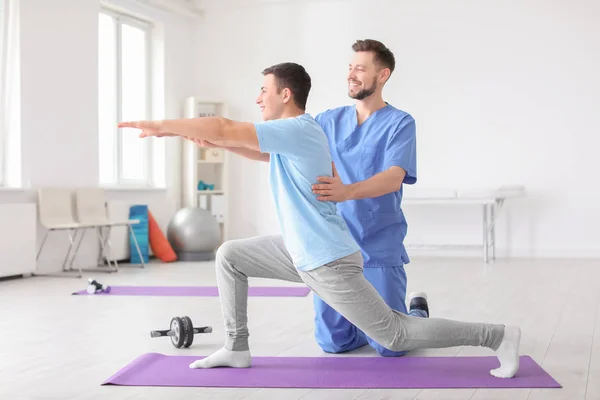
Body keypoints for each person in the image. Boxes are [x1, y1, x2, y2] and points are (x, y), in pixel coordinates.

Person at [118, 62, 521, 379]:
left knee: (393, 335)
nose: (258, 98)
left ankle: (497, 336)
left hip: (326, 258)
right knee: (230, 255)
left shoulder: (299, 128)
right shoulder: (291, 136)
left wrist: (163, 126)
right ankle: (237, 346)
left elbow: (227, 126)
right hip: (298, 251)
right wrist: (217, 142)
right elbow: (252, 148)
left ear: (285, 94)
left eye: (264, 90)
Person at [310, 39, 425, 357]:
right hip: (334, 247)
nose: (351, 74)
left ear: (383, 75)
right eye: (350, 68)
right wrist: (228, 142)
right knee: (333, 344)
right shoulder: (327, 121)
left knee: (392, 345)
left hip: (377, 242)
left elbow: (394, 177)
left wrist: (347, 191)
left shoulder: (400, 123)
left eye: (360, 68)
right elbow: (289, 150)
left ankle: (416, 314)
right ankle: (366, 324)